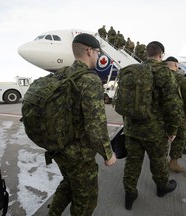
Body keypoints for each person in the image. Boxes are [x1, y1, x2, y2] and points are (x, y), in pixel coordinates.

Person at [48, 33, 116, 216]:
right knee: (86, 201)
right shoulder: (90, 80)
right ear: (88, 51)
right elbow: (95, 126)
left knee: (68, 184)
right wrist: (107, 153)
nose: (98, 56)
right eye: (97, 52)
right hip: (79, 154)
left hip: (58, 147)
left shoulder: (61, 75)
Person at [123, 41, 182, 210]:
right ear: (161, 55)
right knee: (158, 161)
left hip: (132, 129)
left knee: (132, 163)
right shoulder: (164, 73)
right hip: (155, 132)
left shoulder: (133, 71)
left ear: (146, 54)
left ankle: (129, 194)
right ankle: (162, 188)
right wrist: (172, 130)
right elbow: (173, 106)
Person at [165, 57, 186, 172]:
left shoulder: (156, 75)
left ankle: (161, 161)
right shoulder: (180, 78)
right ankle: (173, 162)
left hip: (158, 116)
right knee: (180, 137)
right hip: (177, 115)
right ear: (176, 65)